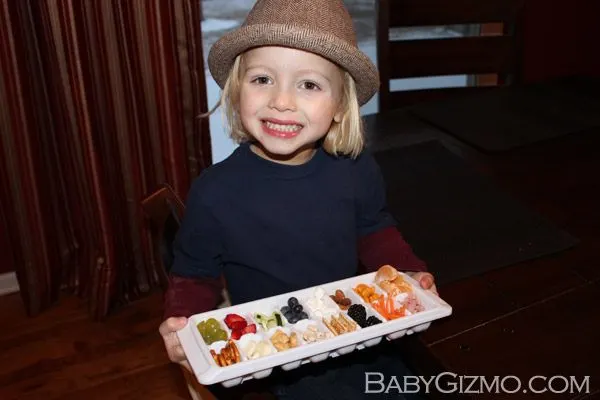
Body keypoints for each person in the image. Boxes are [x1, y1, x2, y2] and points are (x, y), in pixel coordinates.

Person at [159, 0, 438, 398]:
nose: (282, 101)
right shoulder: (214, 192)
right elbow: (195, 274)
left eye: (309, 84)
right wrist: (181, 320)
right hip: (281, 356)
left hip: (360, 332)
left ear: (341, 106)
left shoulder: (355, 168)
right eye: (262, 79)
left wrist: (407, 271)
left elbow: (374, 228)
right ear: (237, 91)